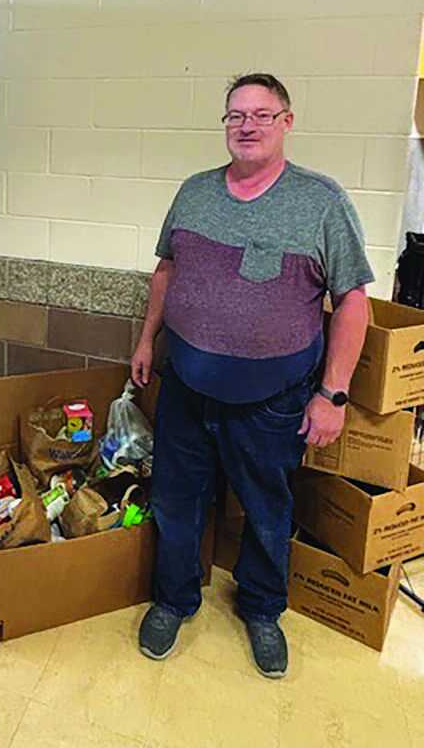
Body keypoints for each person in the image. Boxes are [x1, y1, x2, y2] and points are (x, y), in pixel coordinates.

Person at [131, 73, 372, 678]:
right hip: (185, 386)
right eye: (236, 115)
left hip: (274, 400)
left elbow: (353, 303)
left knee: (267, 509)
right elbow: (166, 272)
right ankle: (173, 600)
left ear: (286, 123)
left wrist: (333, 394)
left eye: (262, 115)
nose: (247, 125)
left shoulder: (321, 202)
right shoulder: (193, 193)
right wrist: (146, 339)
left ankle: (263, 611)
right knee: (176, 499)